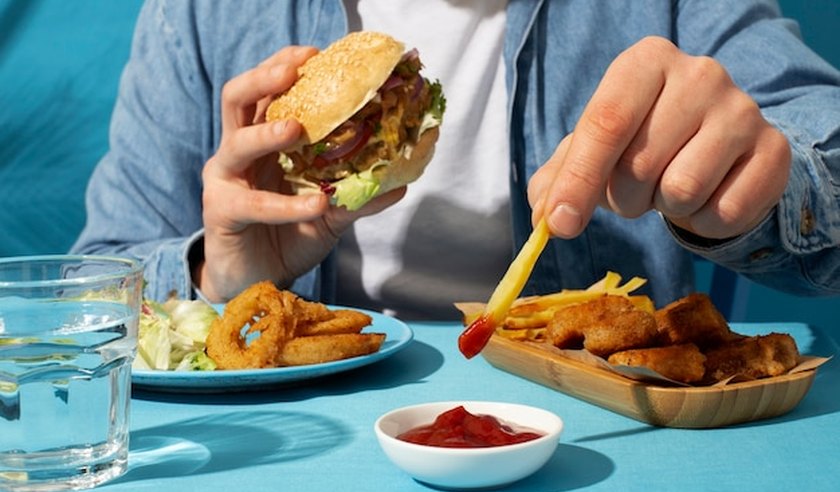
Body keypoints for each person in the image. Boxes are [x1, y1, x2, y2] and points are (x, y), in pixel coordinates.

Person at [72, 0, 840, 320]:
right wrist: (221, 279)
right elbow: (91, 286)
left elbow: (824, 149)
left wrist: (761, 186)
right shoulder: (206, 12)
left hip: (596, 435)